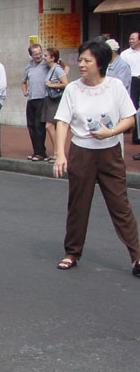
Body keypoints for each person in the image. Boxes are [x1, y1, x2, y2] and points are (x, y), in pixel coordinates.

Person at [52, 38, 140, 277]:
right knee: (78, 205)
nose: (81, 64)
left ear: (100, 63)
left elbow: (129, 119)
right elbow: (63, 122)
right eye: (80, 60)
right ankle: (72, 253)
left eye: (87, 61)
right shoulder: (72, 89)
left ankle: (137, 257)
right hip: (81, 152)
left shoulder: (115, 86)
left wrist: (110, 132)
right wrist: (60, 154)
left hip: (110, 152)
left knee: (120, 205)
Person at [21, 44, 49, 161]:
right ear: (30, 55)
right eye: (35, 54)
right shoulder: (29, 66)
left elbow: (62, 67)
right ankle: (36, 151)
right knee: (31, 126)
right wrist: (25, 91)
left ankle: (41, 153)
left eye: (39, 53)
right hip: (31, 99)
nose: (38, 56)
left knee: (39, 126)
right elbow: (23, 81)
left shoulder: (46, 63)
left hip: (42, 98)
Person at [41, 48, 68, 164]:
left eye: (46, 55)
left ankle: (58, 153)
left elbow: (66, 83)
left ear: (52, 58)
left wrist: (52, 85)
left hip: (55, 100)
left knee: (50, 125)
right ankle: (56, 152)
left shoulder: (57, 69)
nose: (44, 57)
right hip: (49, 99)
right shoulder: (52, 69)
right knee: (50, 126)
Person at [120, 32, 140, 144]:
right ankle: (131, 132)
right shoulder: (125, 54)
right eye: (130, 39)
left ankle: (138, 134)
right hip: (132, 80)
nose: (131, 41)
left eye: (133, 39)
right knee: (132, 106)